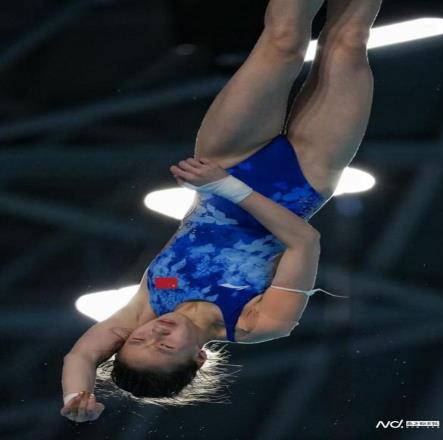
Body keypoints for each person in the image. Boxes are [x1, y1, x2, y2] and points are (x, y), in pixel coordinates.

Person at [60, 0, 382, 422]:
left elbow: (81, 354)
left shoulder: (145, 309)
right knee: (349, 42)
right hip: (304, 178)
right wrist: (226, 188)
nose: (155, 333)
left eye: (138, 342)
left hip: (228, 157)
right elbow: (304, 241)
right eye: (165, 348)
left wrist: (76, 397)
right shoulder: (257, 324)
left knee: (284, 42)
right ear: (198, 359)